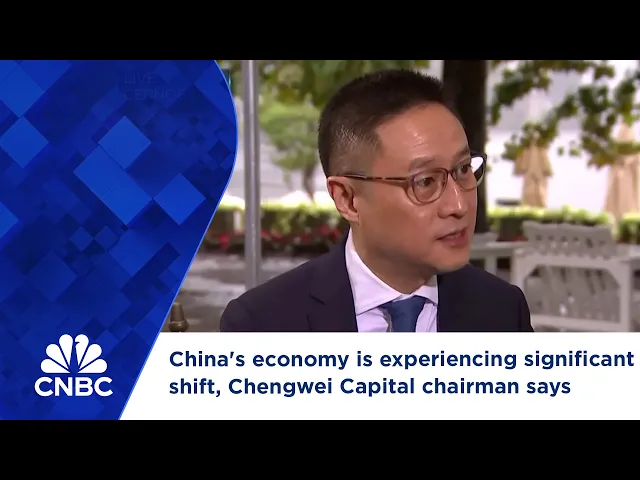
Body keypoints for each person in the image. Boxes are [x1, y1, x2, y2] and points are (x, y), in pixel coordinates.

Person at [220, 69, 533, 332]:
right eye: (425, 182)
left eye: (463, 169)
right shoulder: (262, 324)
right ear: (347, 199)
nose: (459, 205)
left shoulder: (503, 311)